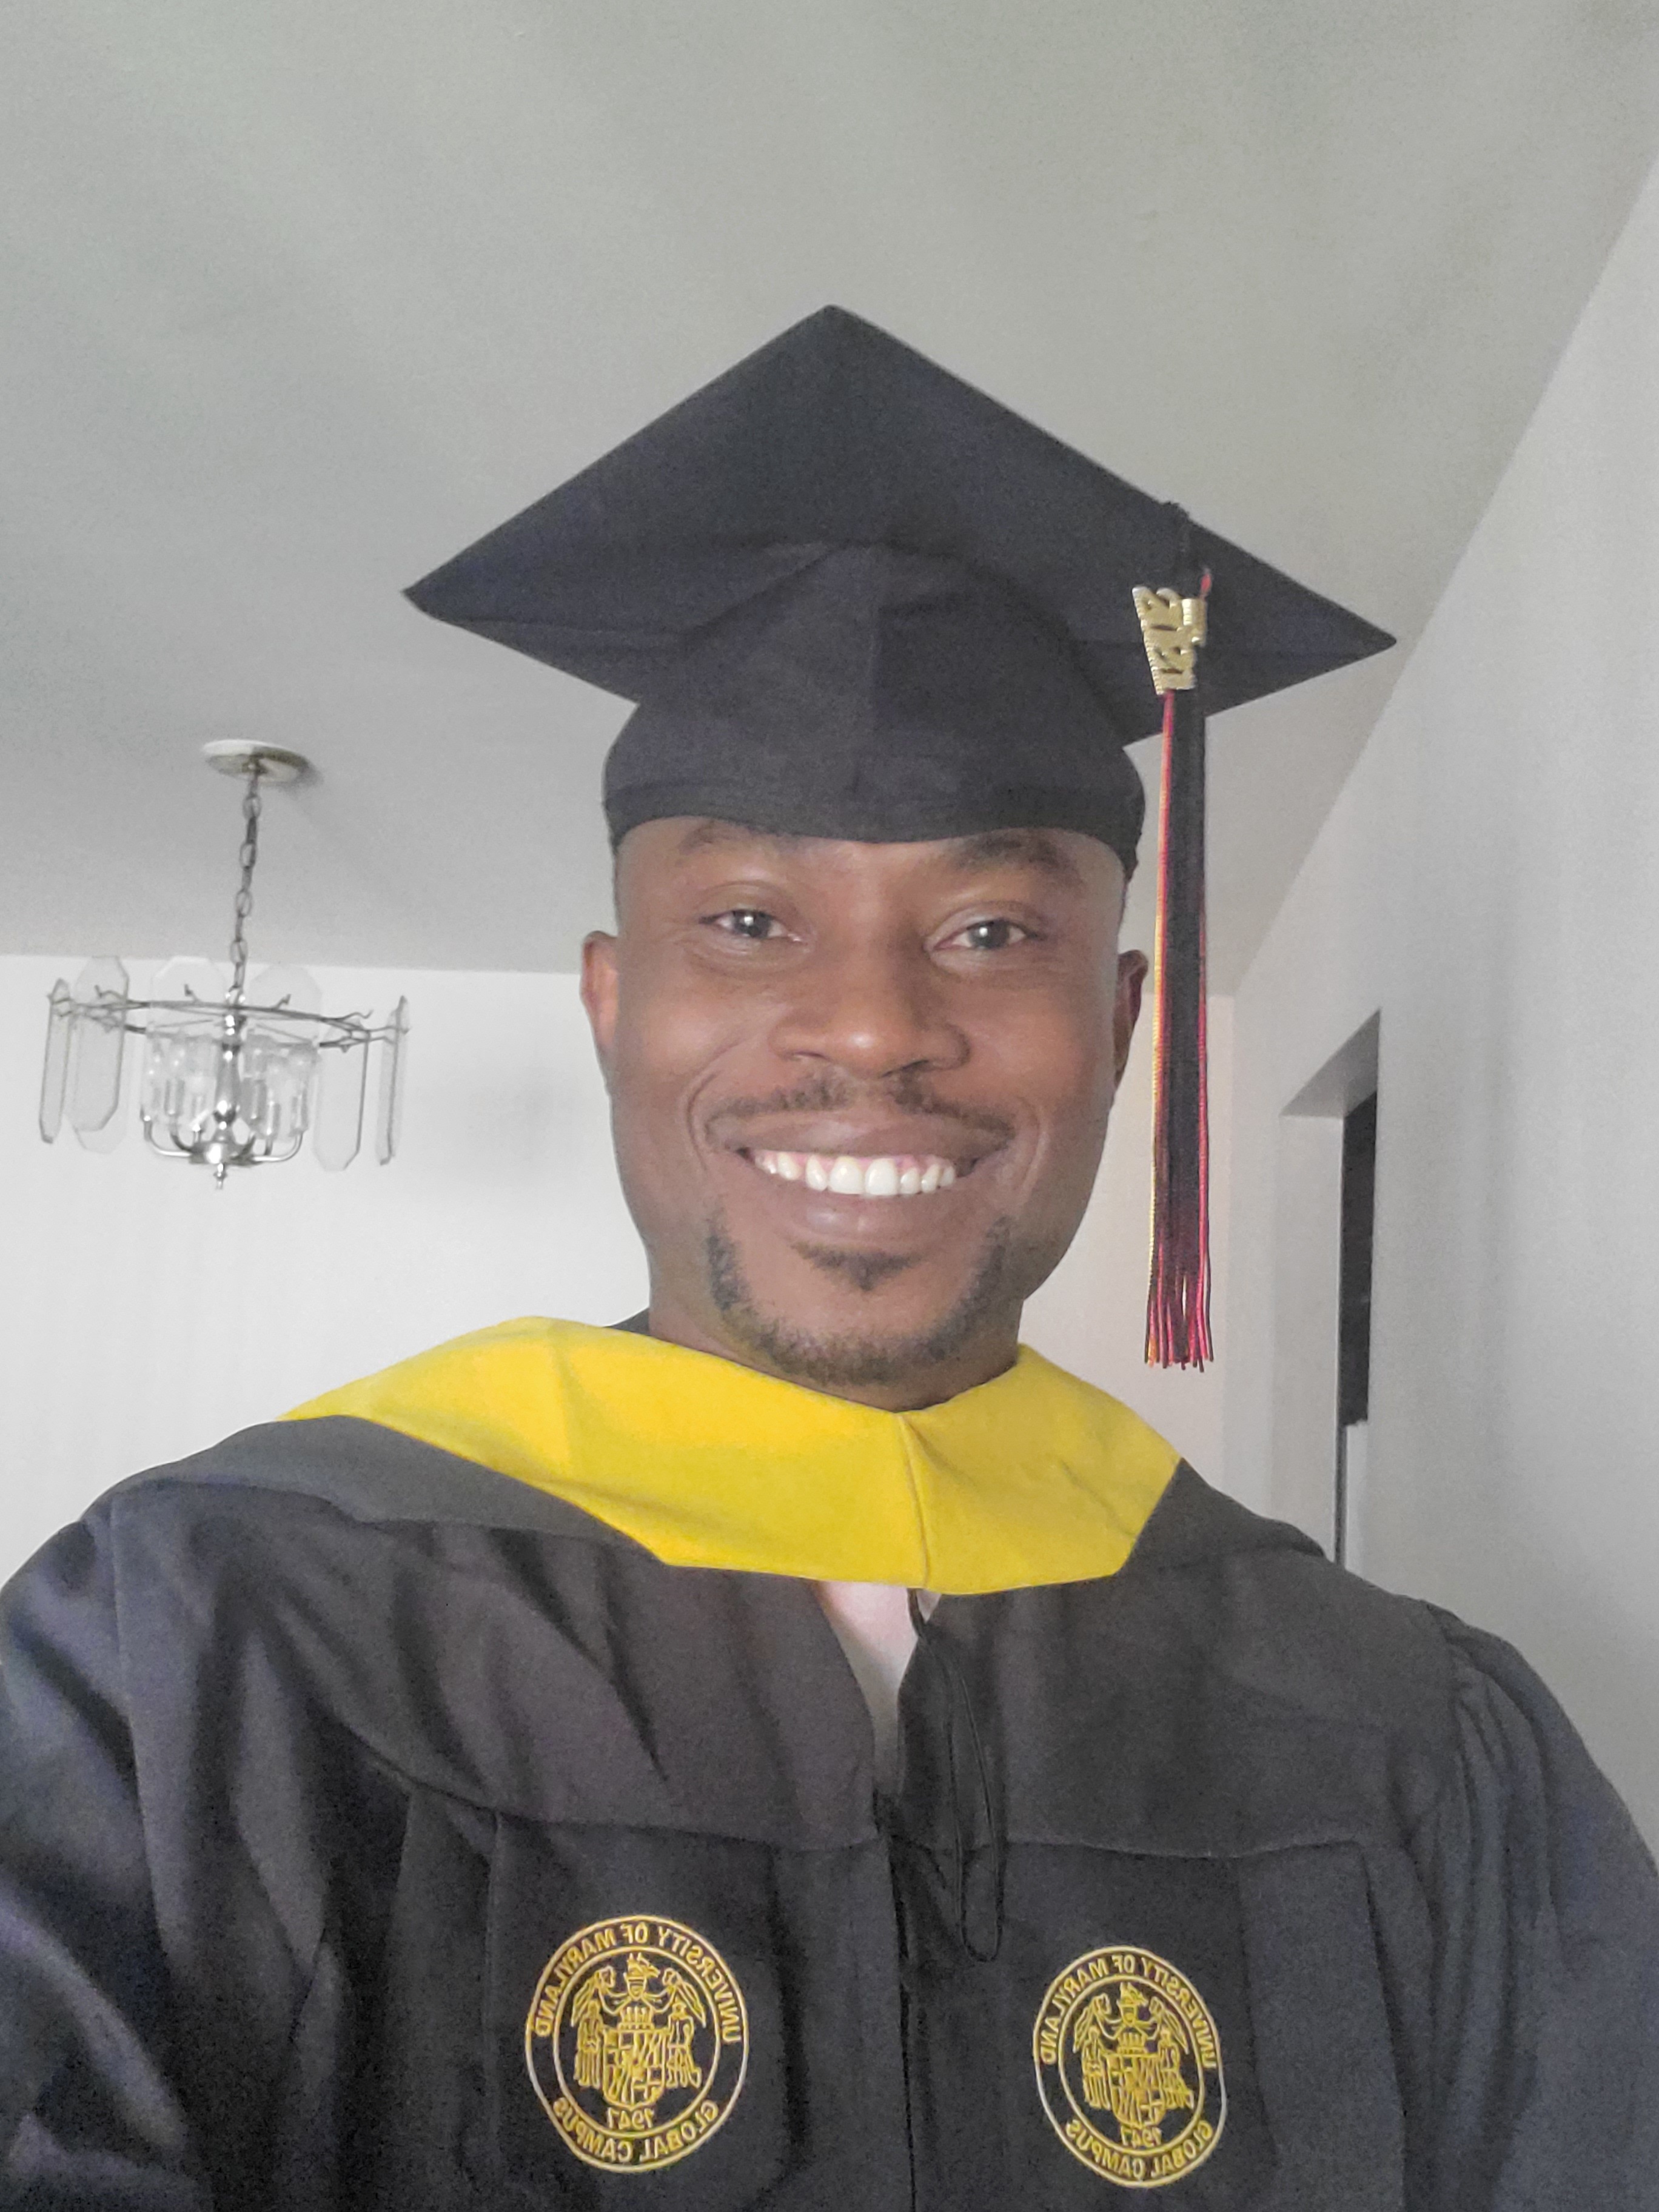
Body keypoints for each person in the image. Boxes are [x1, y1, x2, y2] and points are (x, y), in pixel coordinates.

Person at [2, 308, 1655, 2211]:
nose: (872, 1029)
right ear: (612, 1005)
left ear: (1125, 1026)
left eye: (991, 934)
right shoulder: (200, 1649)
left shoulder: (1413, 1737)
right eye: (749, 919)